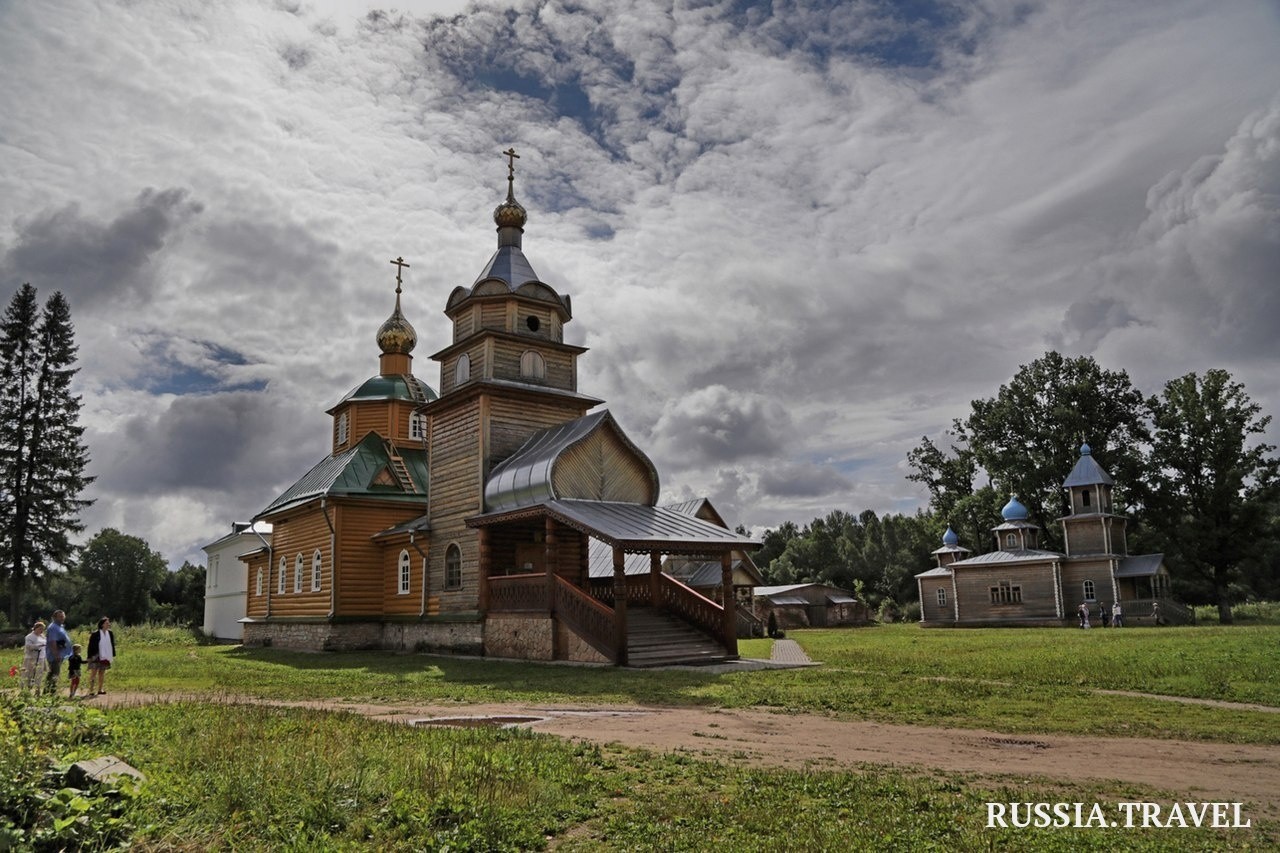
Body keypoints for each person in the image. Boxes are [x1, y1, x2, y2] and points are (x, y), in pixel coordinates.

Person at [87, 617, 118, 696]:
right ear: (102, 624)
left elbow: (111, 644)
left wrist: (112, 654)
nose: (109, 624)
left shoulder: (110, 633)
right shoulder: (95, 634)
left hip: (105, 655)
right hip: (96, 655)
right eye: (107, 623)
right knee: (93, 673)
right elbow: (90, 646)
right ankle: (91, 690)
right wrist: (89, 656)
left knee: (102, 673)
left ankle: (100, 689)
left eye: (108, 623)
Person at [44, 609, 72, 693]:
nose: (62, 618)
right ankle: (51, 693)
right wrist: (56, 654)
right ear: (54, 617)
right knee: (54, 674)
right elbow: (52, 642)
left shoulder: (60, 626)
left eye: (63, 616)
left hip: (60, 653)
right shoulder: (53, 627)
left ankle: (48, 692)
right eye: (60, 617)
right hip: (55, 655)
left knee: (53, 673)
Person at [21, 621, 46, 691]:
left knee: (39, 673)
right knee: (28, 673)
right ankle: (26, 689)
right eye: (40, 629)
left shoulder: (43, 637)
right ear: (36, 628)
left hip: (41, 657)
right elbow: (28, 646)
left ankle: (37, 689)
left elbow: (45, 646)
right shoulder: (29, 637)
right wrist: (38, 646)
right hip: (30, 658)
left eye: (43, 629)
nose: (41, 631)